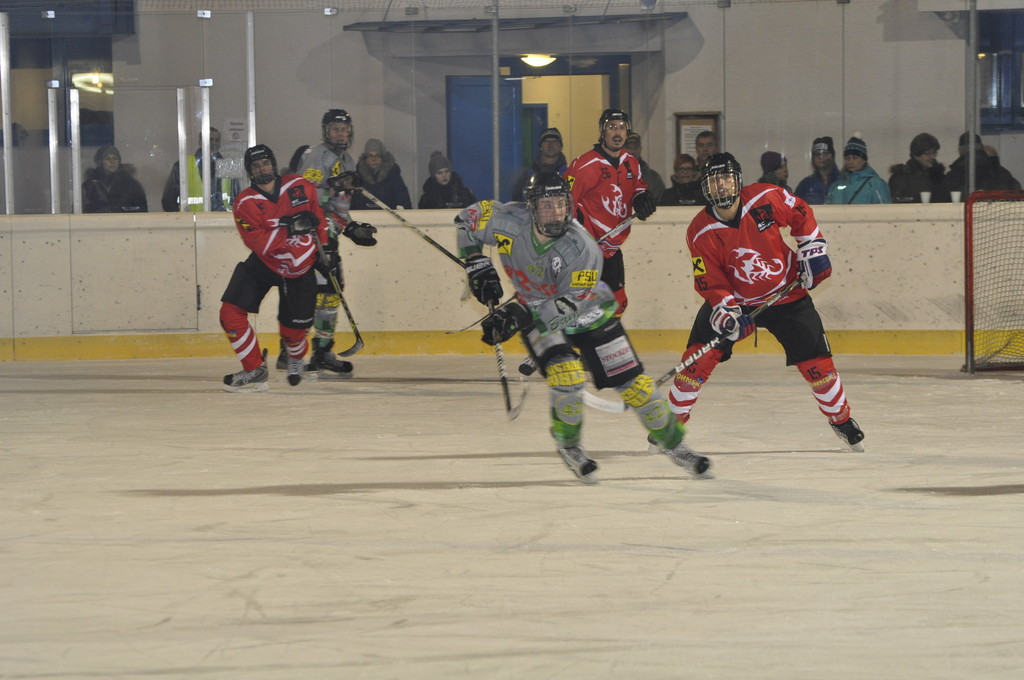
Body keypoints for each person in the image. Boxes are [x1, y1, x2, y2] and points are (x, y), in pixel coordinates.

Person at [454, 172, 710, 483]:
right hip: (534, 310)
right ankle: (569, 445)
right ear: (531, 207)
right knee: (567, 377)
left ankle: (675, 445)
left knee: (636, 386)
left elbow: (571, 303)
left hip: (589, 311)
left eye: (561, 204)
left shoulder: (582, 247)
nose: (556, 212)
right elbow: (467, 219)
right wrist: (476, 263)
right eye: (546, 205)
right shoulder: (508, 221)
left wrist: (516, 315)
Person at [669, 152, 864, 451]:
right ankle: (669, 427)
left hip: (786, 293)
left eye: (726, 179)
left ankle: (841, 419)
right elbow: (710, 280)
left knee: (818, 367)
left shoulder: (765, 197)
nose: (721, 186)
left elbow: (801, 212)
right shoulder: (699, 231)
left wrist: (812, 249)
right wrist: (728, 312)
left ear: (737, 181)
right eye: (714, 181)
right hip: (736, 301)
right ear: (705, 187)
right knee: (695, 364)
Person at [218, 144, 326, 392]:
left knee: (293, 332)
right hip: (264, 264)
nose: (262, 169)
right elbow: (257, 242)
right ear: (250, 171)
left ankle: (295, 357)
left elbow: (319, 220)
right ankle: (254, 369)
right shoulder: (244, 202)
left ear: (274, 164)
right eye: (256, 166)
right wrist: (290, 227)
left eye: (266, 163)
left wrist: (326, 249)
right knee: (229, 313)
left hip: (299, 267)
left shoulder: (300, 186)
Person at [291, 108, 379, 379]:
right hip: (310, 238)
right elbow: (302, 197)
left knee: (330, 293)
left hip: (328, 236)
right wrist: (332, 186)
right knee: (311, 294)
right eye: (335, 129)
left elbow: (338, 208)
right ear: (325, 132)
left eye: (344, 129)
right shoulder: (316, 155)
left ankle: (321, 351)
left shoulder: (348, 160)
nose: (340, 134)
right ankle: (293, 352)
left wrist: (350, 227)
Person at [564, 108, 657, 316]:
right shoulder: (585, 165)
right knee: (583, 305)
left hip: (612, 248)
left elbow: (638, 187)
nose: (617, 132)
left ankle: (611, 337)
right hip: (586, 251)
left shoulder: (631, 162)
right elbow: (564, 203)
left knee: (618, 303)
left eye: (622, 127)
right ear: (602, 131)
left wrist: (641, 198)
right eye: (611, 127)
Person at [160, 127, 238, 212]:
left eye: (217, 140)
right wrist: (182, 218)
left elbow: (236, 198)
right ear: (200, 142)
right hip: (193, 219)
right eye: (210, 139)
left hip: (222, 219)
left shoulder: (228, 166)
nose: (214, 143)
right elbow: (168, 200)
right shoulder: (183, 165)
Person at [945, 132, 1022, 196]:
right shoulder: (1002, 172)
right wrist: (994, 159)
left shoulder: (953, 176)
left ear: (960, 151)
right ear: (982, 148)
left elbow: (942, 199)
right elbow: (1017, 192)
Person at [349, 138, 412, 210]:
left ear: (383, 158)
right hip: (364, 214)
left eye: (377, 155)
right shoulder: (358, 175)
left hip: (388, 214)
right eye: (370, 155)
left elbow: (402, 196)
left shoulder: (393, 173)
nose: (373, 159)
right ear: (365, 158)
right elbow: (354, 200)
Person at [888, 132, 951, 203]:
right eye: (928, 153)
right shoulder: (900, 178)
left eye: (934, 153)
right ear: (916, 155)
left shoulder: (939, 177)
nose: (933, 157)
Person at [82, 145, 148, 213]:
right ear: (100, 162)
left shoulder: (131, 184)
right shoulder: (91, 185)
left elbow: (142, 209)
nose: (112, 161)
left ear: (119, 161)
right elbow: (83, 210)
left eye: (115, 158)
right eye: (107, 158)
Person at [825, 136, 890, 204]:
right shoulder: (836, 185)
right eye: (847, 158)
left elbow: (883, 208)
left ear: (863, 160)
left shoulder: (875, 184)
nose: (850, 162)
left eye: (855, 158)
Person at [510, 127, 568, 202]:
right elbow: (516, 202)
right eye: (546, 141)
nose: (550, 145)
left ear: (561, 147)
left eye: (555, 141)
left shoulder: (568, 175)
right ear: (541, 147)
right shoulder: (527, 176)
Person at [794, 136, 840, 205]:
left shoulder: (843, 181)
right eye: (817, 154)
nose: (821, 157)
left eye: (825, 153)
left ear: (832, 156)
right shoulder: (806, 184)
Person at [624, 131, 666, 203]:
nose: (632, 151)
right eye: (629, 148)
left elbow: (662, 205)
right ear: (622, 149)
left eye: (635, 148)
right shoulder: (613, 174)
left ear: (640, 149)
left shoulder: (653, 178)